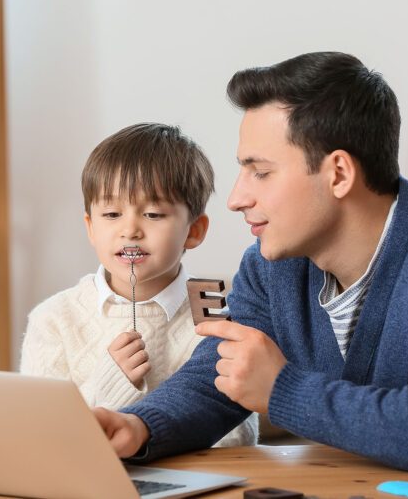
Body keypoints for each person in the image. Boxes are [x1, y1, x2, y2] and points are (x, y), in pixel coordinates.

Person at [93, 53, 408, 474]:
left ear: (338, 173)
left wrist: (282, 391)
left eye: (261, 171)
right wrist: (139, 427)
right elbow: (218, 375)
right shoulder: (272, 264)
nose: (237, 198)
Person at [20, 123, 258, 447]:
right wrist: (107, 389)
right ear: (90, 227)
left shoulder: (214, 308)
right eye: (112, 213)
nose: (130, 230)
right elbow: (37, 438)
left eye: (153, 214)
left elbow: (239, 437)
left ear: (195, 230)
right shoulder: (54, 318)